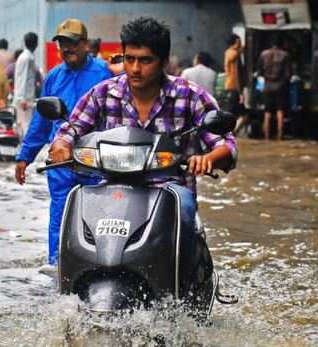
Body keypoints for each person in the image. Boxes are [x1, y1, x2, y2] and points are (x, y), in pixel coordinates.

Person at [48, 17, 237, 265]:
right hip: (111, 190)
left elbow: (227, 145)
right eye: (130, 59)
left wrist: (208, 159)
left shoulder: (190, 95)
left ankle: (191, 280)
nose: (136, 68)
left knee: (186, 207)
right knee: (79, 203)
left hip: (169, 191)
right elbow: (71, 128)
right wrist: (62, 146)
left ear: (163, 62)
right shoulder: (104, 93)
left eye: (145, 60)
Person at [14, 18, 112, 267]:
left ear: (85, 44)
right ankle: (56, 267)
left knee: (101, 216)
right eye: (62, 44)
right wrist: (24, 156)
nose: (66, 49)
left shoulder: (103, 74)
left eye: (72, 43)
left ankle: (101, 265)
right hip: (61, 161)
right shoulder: (54, 77)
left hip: (95, 160)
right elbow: (41, 120)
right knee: (60, 214)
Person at [258, 35, 290, 140]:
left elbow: (260, 71)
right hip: (280, 86)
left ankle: (266, 137)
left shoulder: (264, 54)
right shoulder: (285, 55)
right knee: (280, 111)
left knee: (267, 112)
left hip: (267, 86)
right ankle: (280, 136)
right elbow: (287, 74)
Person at [13, 32, 39, 135]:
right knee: (26, 124)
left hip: (22, 96)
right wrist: (23, 99)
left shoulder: (24, 57)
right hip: (25, 98)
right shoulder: (27, 58)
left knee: (22, 124)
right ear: (36, 44)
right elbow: (23, 78)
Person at [222, 34, 248, 135]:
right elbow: (232, 56)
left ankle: (231, 134)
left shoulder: (236, 53)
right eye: (238, 41)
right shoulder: (230, 52)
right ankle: (229, 134)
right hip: (231, 88)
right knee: (233, 114)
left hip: (235, 89)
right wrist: (240, 47)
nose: (240, 42)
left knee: (243, 115)